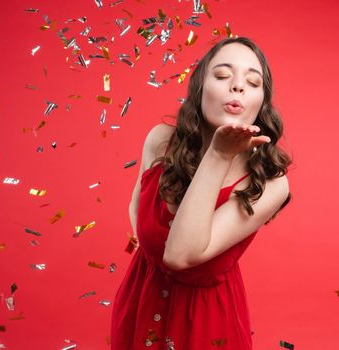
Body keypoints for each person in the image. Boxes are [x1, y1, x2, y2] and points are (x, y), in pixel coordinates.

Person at [111, 36, 291, 350]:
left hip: (206, 325)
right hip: (140, 304)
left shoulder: (270, 183)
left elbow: (179, 256)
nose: (237, 87)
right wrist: (151, 257)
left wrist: (219, 155)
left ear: (262, 103)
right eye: (222, 76)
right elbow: (137, 209)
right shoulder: (160, 141)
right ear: (199, 88)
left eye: (252, 82)